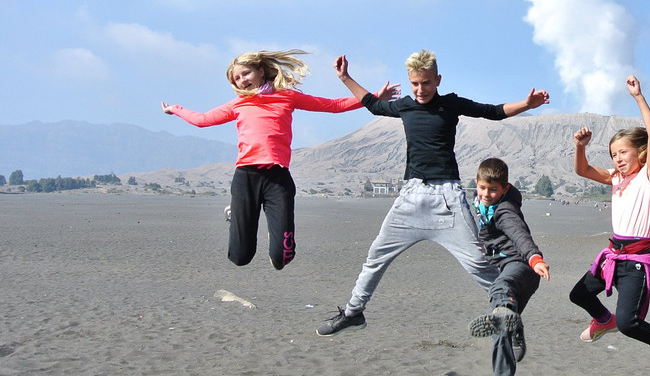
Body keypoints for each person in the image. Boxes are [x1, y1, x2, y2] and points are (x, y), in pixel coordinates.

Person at [317, 50, 550, 340]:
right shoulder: (404, 106)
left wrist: (527, 104)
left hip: (447, 200)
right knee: (376, 256)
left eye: (426, 83)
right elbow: (373, 105)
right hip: (410, 198)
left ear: (437, 80)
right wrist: (345, 78)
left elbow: (492, 111)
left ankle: (508, 314)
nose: (420, 89)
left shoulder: (449, 104)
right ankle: (353, 312)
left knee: (478, 263)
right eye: (415, 83)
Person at [162, 50, 393, 270]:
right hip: (246, 177)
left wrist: (372, 98)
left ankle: (270, 231)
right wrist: (175, 109)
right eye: (237, 79)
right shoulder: (239, 104)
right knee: (240, 258)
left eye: (246, 73)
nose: (242, 80)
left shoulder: (286, 97)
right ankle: (236, 213)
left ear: (261, 70)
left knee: (282, 257)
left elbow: (331, 106)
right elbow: (202, 120)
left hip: (277, 178)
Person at [569, 75, 650, 376]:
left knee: (630, 323)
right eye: (613, 154)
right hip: (613, 255)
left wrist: (638, 97)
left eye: (623, 152)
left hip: (638, 261)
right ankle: (603, 321)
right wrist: (581, 146)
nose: (617, 159)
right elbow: (581, 169)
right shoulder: (615, 178)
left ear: (641, 153)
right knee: (578, 294)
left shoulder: (649, 176)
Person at [466, 158, 550, 376]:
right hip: (511, 269)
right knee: (498, 326)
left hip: (522, 267)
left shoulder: (504, 210)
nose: (486, 194)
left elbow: (519, 235)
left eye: (492, 190)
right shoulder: (481, 203)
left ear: (504, 189)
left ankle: (511, 323)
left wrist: (535, 258)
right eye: (482, 188)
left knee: (499, 291)